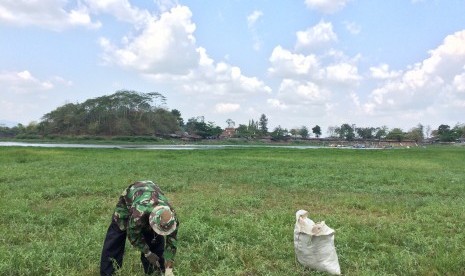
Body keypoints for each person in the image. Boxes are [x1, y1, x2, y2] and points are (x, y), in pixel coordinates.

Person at [100, 180, 178, 276]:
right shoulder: (138, 215)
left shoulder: (171, 217)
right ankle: (108, 273)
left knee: (155, 240)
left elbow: (172, 243)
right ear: (152, 220)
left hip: (151, 195)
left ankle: (155, 272)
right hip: (129, 199)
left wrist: (169, 268)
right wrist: (147, 253)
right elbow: (133, 235)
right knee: (115, 240)